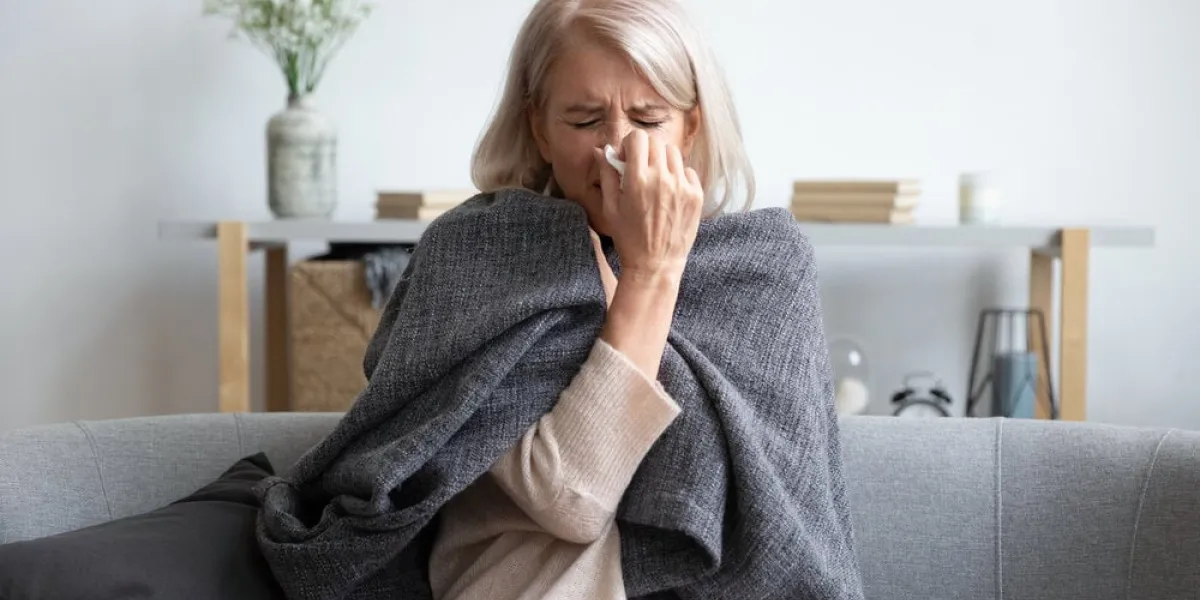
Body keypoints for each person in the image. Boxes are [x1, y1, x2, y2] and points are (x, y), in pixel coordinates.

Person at [426, 0, 766, 599]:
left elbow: (782, 519)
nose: (618, 149)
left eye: (648, 119)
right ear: (539, 129)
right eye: (585, 121)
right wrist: (652, 271)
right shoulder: (478, 256)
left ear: (690, 127)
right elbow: (569, 498)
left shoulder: (761, 267)